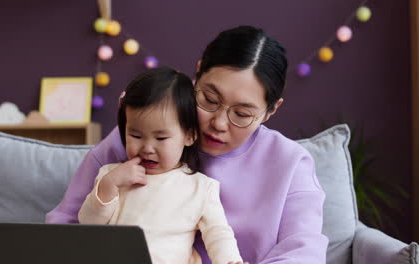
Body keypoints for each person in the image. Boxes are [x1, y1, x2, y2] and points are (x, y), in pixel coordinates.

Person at [47, 25, 328, 263]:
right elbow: (65, 227)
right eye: (208, 99)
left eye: (242, 114)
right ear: (197, 73)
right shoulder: (141, 138)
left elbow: (303, 252)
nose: (218, 123)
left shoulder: (291, 164)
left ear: (271, 111)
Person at [77, 67, 246, 264]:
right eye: (136, 135)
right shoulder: (112, 175)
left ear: (189, 135)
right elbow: (87, 224)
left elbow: (218, 233)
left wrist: (229, 260)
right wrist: (109, 185)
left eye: (161, 137)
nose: (147, 148)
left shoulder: (201, 188)